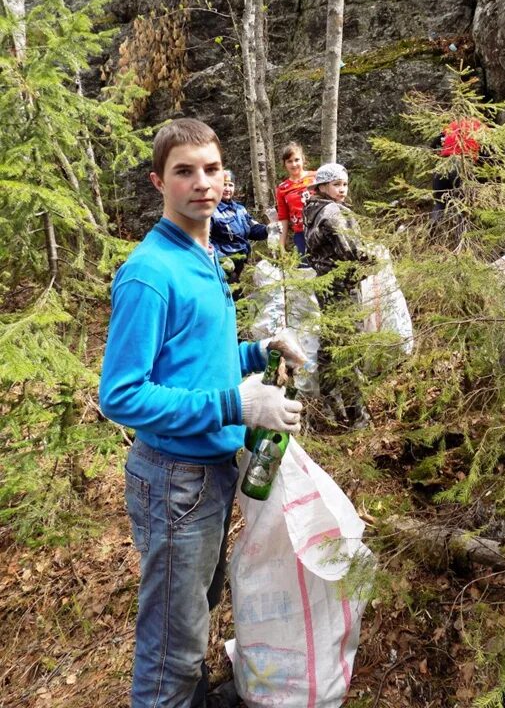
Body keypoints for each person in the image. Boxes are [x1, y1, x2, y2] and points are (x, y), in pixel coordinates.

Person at [98, 118, 304, 708]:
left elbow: (191, 358)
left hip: (208, 472)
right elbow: (122, 394)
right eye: (184, 171)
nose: (201, 183)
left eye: (211, 169)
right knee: (172, 642)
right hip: (173, 480)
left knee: (198, 608)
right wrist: (235, 402)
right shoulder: (150, 273)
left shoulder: (203, 251)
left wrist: (256, 351)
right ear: (158, 181)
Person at [303, 162, 371, 430]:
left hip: (324, 283)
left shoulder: (312, 209)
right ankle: (358, 417)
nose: (342, 189)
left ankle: (330, 408)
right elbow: (352, 251)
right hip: (343, 286)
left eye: (344, 184)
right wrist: (374, 261)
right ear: (322, 187)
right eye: (336, 184)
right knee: (350, 348)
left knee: (330, 346)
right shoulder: (333, 212)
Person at [210, 169, 268, 291]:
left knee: (238, 296)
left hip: (240, 262)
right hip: (223, 264)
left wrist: (267, 229)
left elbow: (252, 230)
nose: (227, 188)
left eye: (230, 185)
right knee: (234, 297)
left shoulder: (240, 209)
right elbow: (204, 240)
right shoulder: (210, 211)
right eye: (223, 184)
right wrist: (220, 259)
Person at [431, 117, 484, 225]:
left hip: (444, 166)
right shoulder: (480, 128)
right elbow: (488, 155)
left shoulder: (450, 126)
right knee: (464, 206)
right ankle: (464, 236)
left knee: (440, 204)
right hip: (463, 166)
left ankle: (431, 234)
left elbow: (433, 146)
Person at [276, 141, 316, 255]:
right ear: (284, 164)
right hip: (300, 234)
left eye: (297, 160)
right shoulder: (282, 188)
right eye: (289, 161)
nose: (294, 164)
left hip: (321, 229)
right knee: (305, 270)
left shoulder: (316, 177)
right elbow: (283, 217)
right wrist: (281, 246)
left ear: (303, 160)